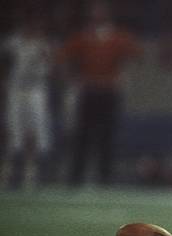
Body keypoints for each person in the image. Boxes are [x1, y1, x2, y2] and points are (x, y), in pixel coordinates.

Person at [58, 2, 141, 186]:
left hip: (109, 91)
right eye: (94, 12)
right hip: (88, 90)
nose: (97, 15)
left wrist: (123, 75)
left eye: (100, 12)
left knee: (107, 135)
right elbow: (63, 57)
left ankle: (105, 176)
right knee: (83, 135)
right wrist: (73, 78)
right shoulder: (83, 37)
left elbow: (136, 55)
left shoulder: (117, 37)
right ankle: (76, 177)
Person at [1, 15, 53, 189]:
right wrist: (4, 82)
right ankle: (6, 167)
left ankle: (30, 170)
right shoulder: (13, 42)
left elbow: (50, 68)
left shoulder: (43, 44)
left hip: (35, 89)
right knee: (12, 127)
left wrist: (44, 56)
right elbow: (4, 63)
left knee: (34, 128)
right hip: (16, 88)